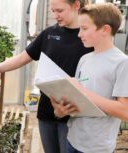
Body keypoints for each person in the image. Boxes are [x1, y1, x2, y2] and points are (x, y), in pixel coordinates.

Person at [0, 0, 92, 152]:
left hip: (73, 114)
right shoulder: (49, 34)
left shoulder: (88, 37)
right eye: (53, 10)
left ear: (76, 5)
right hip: (47, 111)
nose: (55, 15)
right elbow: (23, 57)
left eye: (59, 11)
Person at [50, 3, 128, 153]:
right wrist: (60, 110)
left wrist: (83, 92)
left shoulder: (122, 63)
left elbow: (125, 111)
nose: (79, 34)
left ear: (105, 29)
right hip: (72, 139)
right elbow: (80, 98)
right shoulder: (84, 59)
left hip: (97, 148)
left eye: (84, 28)